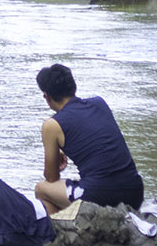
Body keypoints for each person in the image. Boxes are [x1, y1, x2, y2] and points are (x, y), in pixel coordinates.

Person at [34, 63, 144, 211]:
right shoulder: (99, 103)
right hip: (135, 192)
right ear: (73, 86)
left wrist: (57, 167)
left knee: (41, 189)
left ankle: (59, 233)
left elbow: (51, 178)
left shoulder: (52, 125)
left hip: (99, 196)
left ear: (46, 96)